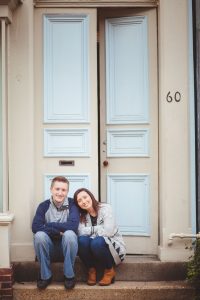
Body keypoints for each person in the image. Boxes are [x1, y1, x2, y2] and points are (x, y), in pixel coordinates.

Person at [32, 176, 79, 290]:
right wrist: (57, 232)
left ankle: (69, 275)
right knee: (39, 236)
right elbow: (35, 227)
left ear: (67, 191)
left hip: (67, 248)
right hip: (49, 248)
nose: (60, 193)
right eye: (57, 189)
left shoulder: (73, 204)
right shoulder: (43, 206)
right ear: (51, 190)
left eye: (63, 190)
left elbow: (73, 226)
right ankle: (45, 276)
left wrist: (48, 225)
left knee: (69, 234)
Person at [73, 188, 126, 286]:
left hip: (114, 247)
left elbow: (109, 232)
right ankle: (91, 270)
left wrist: (90, 231)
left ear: (91, 196)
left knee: (96, 242)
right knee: (81, 241)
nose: (83, 201)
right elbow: (80, 232)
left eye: (85, 197)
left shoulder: (106, 208)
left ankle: (109, 270)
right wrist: (99, 229)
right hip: (95, 249)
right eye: (79, 201)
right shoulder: (81, 215)